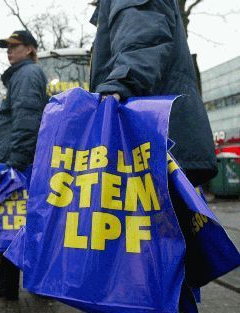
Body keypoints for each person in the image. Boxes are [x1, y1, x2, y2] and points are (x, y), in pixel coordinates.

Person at [89, 1, 217, 310]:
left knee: (147, 271)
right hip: (161, 142)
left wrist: (117, 85)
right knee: (163, 272)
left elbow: (142, 34)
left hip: (152, 146)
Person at [0, 30, 48, 301]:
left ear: (30, 49)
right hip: (15, 159)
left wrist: (16, 163)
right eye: (7, 47)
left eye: (15, 46)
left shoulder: (26, 75)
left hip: (16, 163)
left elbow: (26, 120)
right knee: (14, 224)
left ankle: (12, 285)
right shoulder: (21, 76)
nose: (9, 52)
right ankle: (9, 283)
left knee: (12, 224)